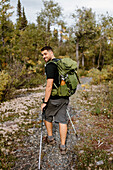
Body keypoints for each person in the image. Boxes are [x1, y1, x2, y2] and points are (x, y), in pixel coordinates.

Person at [41, 46, 69, 155]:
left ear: (51, 52)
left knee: (47, 116)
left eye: (45, 54)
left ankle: (51, 139)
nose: (44, 56)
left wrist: (45, 102)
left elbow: (49, 85)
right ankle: (63, 146)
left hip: (54, 98)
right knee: (62, 120)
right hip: (64, 96)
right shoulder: (62, 63)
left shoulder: (50, 65)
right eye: (42, 55)